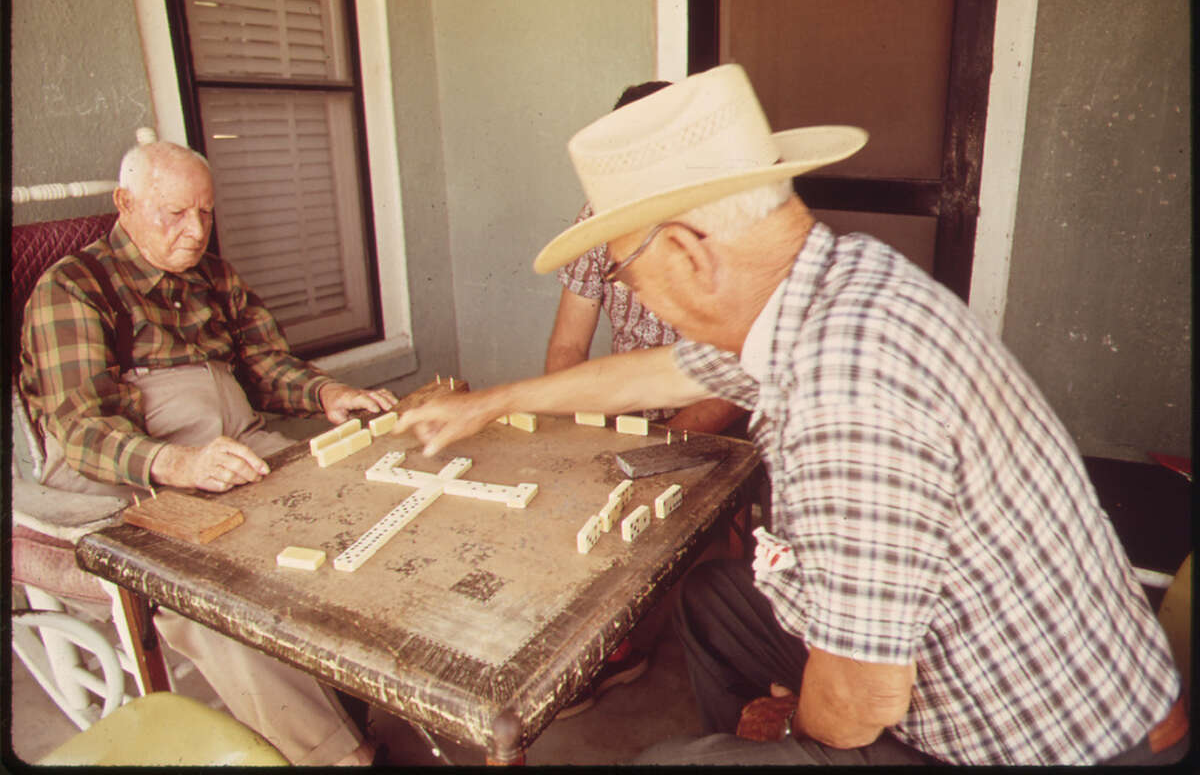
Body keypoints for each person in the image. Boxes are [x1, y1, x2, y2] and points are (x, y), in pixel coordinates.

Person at [395, 64, 1187, 765]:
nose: (628, 293)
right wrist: (493, 401)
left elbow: (863, 702)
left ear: (689, 250)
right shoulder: (831, 282)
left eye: (627, 274)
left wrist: (791, 730)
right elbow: (659, 368)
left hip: (1055, 741)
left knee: (679, 763)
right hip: (998, 655)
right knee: (715, 604)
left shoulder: (843, 394)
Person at [19, 141, 398, 766]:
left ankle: (350, 696)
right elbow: (81, 428)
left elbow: (264, 365)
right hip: (128, 475)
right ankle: (337, 758)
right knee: (215, 598)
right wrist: (178, 465)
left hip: (233, 446)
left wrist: (326, 392)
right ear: (125, 205)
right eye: (175, 214)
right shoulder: (72, 287)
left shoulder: (214, 278)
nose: (195, 231)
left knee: (356, 505)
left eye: (205, 213)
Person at [546, 81, 749, 719]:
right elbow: (566, 352)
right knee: (571, 492)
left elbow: (732, 381)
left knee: (656, 509)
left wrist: (653, 455)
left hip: (718, 404)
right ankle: (598, 645)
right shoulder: (596, 219)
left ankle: (628, 644)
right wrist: (580, 436)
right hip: (630, 399)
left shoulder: (731, 223)